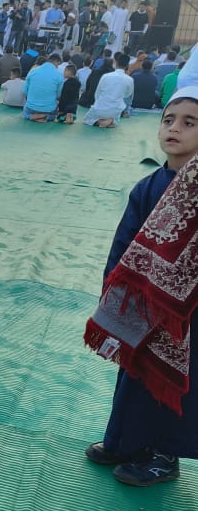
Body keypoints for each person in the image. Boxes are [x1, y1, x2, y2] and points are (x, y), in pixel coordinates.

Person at [84, 88, 198, 487]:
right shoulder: (148, 186)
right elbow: (125, 243)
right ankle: (126, 441)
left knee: (175, 380)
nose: (174, 128)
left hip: (186, 313)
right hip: (144, 302)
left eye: (189, 123)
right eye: (168, 120)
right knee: (136, 372)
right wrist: (112, 292)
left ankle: (164, 456)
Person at [84, 54, 134, 128]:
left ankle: (99, 121)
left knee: (87, 120)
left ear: (116, 63)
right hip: (116, 110)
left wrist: (98, 103)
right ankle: (111, 120)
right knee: (118, 110)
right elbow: (127, 94)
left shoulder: (106, 76)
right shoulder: (130, 80)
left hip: (99, 108)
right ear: (127, 66)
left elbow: (97, 94)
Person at [22, 54, 63, 122]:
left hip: (31, 108)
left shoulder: (33, 71)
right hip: (49, 109)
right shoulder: (59, 75)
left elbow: (25, 91)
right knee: (53, 114)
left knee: (25, 113)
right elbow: (58, 95)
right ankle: (45, 116)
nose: (57, 67)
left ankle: (33, 116)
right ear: (57, 62)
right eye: (58, 65)